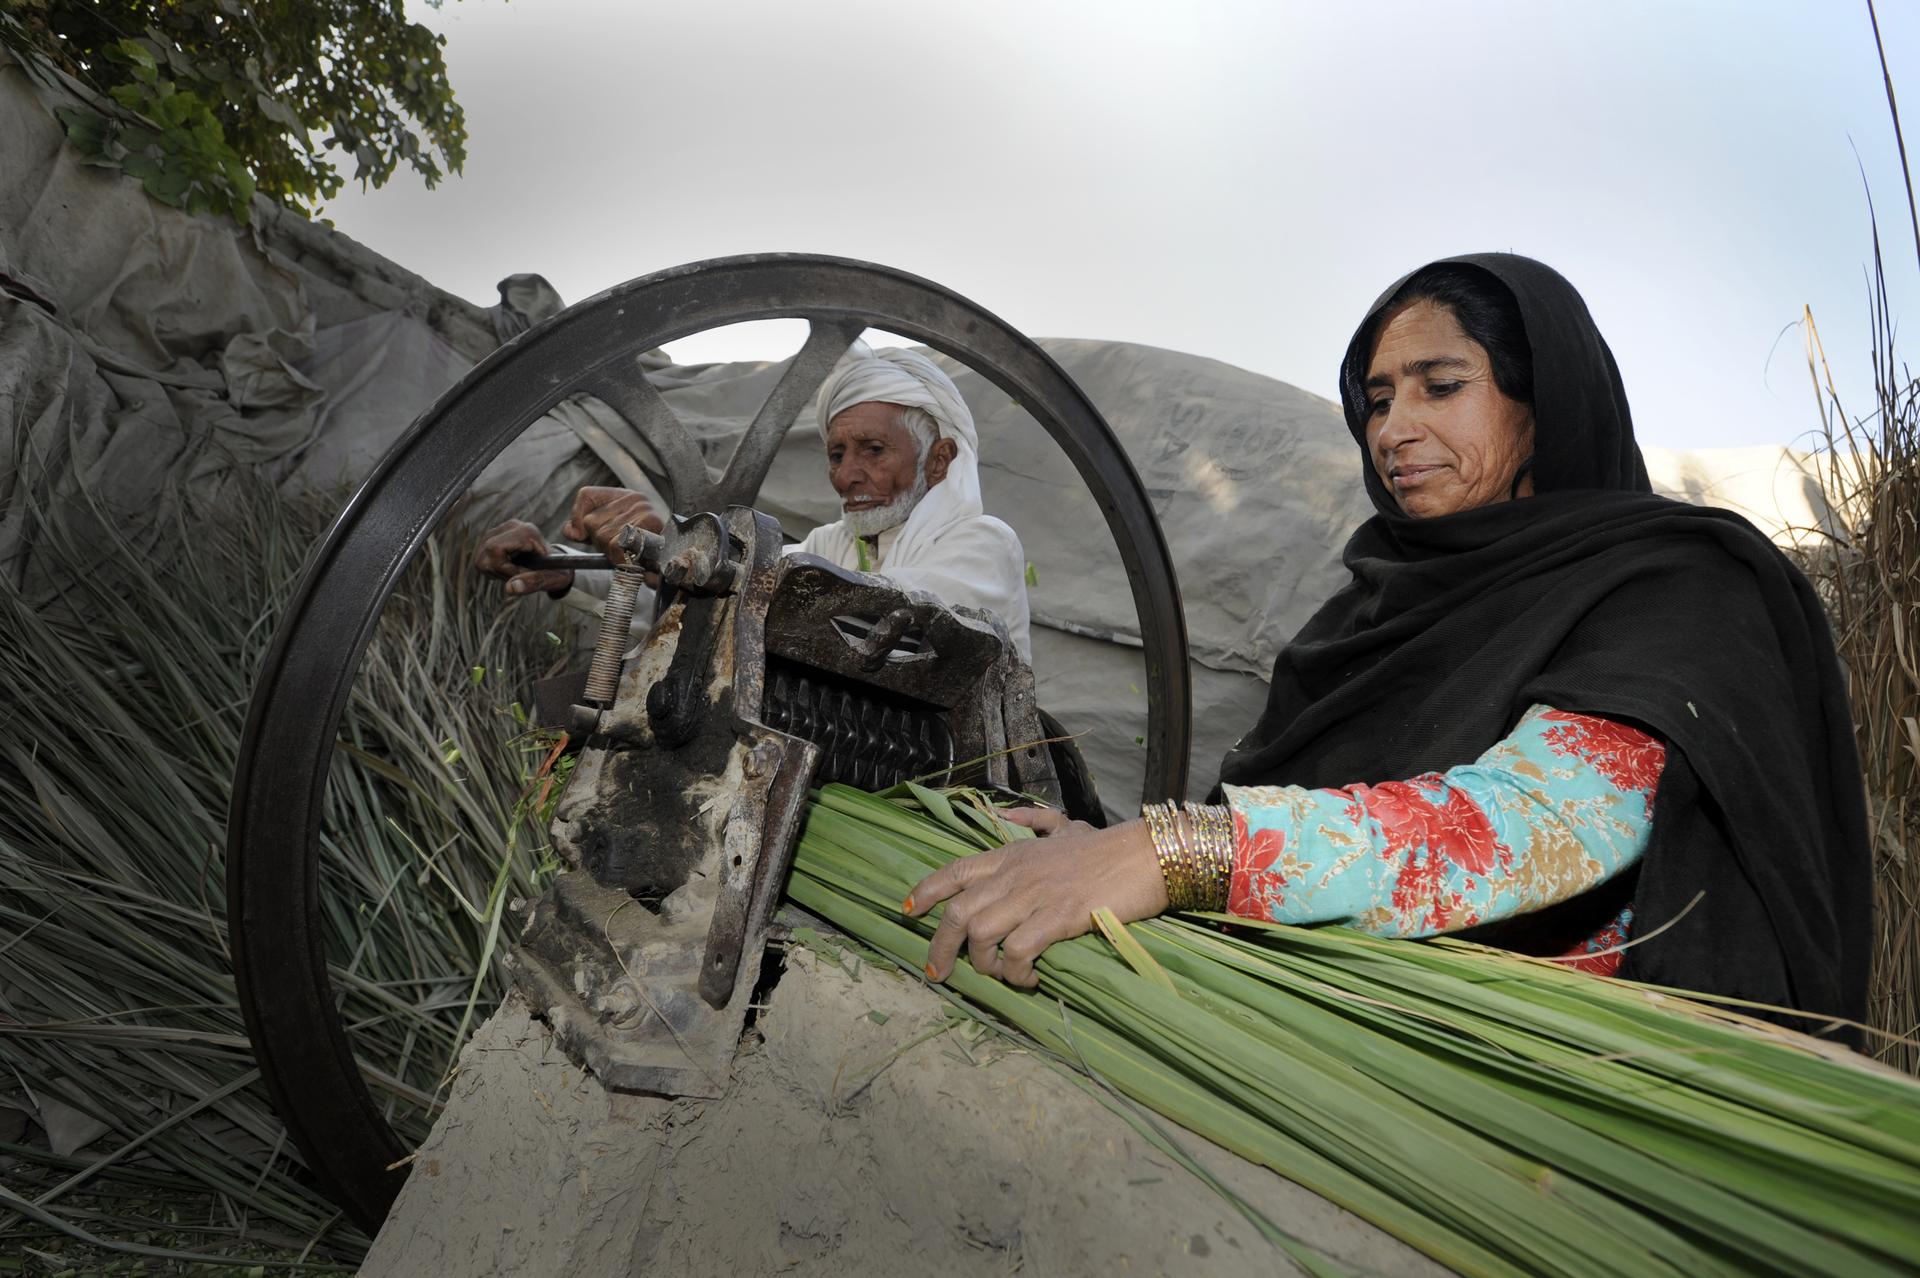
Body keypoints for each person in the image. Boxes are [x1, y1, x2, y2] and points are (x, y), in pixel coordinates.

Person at [905, 253, 1870, 1037]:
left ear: (1542, 405)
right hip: (1333, 1022)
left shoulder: (1676, 583)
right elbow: (1300, 814)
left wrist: (1176, 854)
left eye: (1440, 387)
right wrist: (1113, 850)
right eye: (1376, 400)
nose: (1392, 430)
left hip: (1556, 1082)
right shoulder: (1366, 614)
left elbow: (1551, 826)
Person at [474, 343, 1033, 660]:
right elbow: (711, 607)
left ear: (939, 460)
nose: (846, 476)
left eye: (873, 449)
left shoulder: (984, 545)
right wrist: (566, 568)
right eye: (836, 454)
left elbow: (880, 623)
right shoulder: (830, 545)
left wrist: (684, 545)